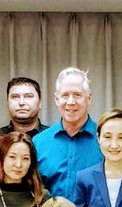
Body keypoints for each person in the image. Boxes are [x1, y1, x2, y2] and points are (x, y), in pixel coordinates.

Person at [33, 67, 102, 199]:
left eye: (77, 94)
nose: (71, 102)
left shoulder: (105, 139)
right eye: (65, 95)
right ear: (56, 99)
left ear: (89, 98)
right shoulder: (39, 142)